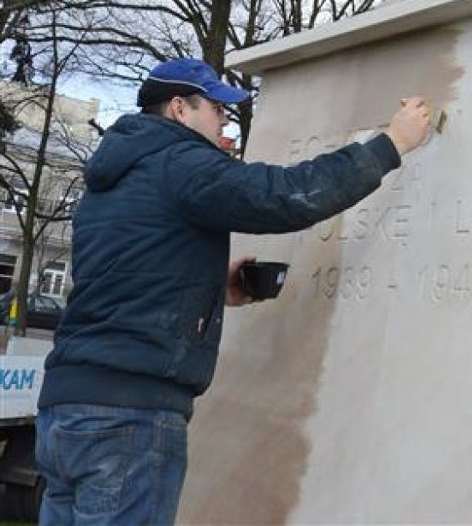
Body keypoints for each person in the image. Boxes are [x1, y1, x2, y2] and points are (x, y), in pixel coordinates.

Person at [35, 57, 432, 526]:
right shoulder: (180, 160)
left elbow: (120, 274)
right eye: (216, 109)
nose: (224, 118)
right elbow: (284, 195)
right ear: (180, 108)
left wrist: (211, 285)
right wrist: (391, 145)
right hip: (130, 417)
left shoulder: (113, 179)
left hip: (66, 412)